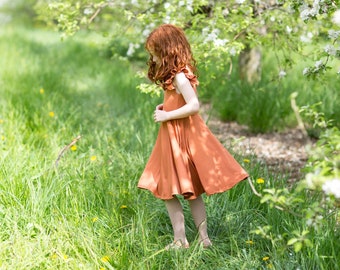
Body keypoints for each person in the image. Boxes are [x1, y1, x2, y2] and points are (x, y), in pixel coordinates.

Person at [138, 24, 249, 250]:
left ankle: (184, 240)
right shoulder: (175, 75)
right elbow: (182, 104)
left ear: (167, 50)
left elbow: (194, 105)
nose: (154, 58)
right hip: (172, 136)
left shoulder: (180, 76)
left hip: (181, 138)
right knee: (185, 190)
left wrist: (167, 114)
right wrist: (168, 106)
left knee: (168, 189)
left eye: (156, 53)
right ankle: (200, 239)